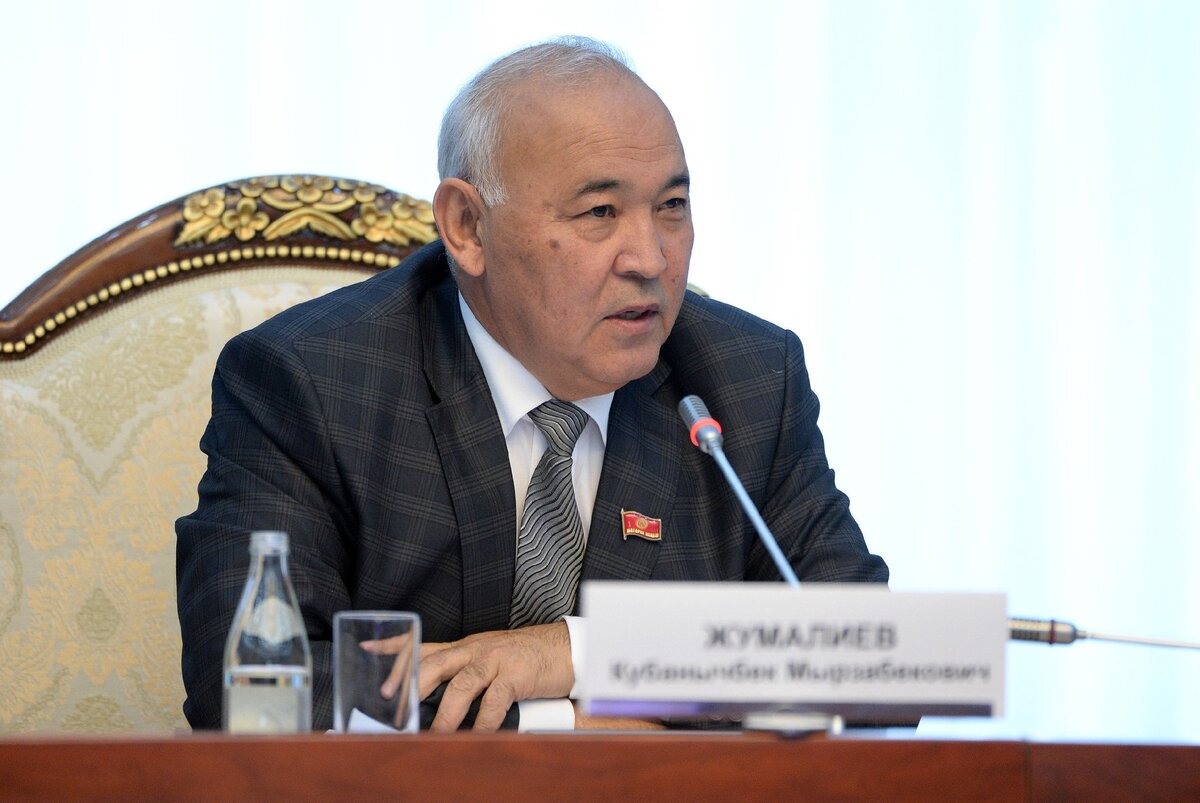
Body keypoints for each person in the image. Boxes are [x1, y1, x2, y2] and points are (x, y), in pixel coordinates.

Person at [176, 36, 888, 733]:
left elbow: (870, 658)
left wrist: (581, 654)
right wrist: (565, 728)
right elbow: (251, 689)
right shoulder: (312, 381)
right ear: (467, 227)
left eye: (671, 205)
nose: (650, 258)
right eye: (600, 212)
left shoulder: (749, 378)